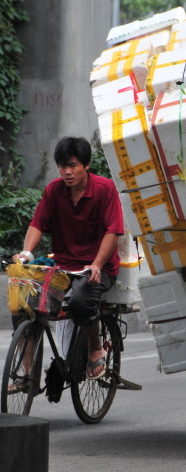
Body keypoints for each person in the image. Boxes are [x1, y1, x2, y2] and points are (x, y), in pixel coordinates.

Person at [13, 136, 124, 380]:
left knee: (81, 300)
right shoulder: (54, 190)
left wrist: (96, 264)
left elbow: (113, 231)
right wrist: (26, 253)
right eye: (62, 166)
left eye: (72, 165)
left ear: (86, 165)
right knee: (21, 302)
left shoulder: (104, 189)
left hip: (98, 268)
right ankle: (27, 373)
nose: (67, 171)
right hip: (62, 268)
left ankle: (95, 348)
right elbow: (37, 224)